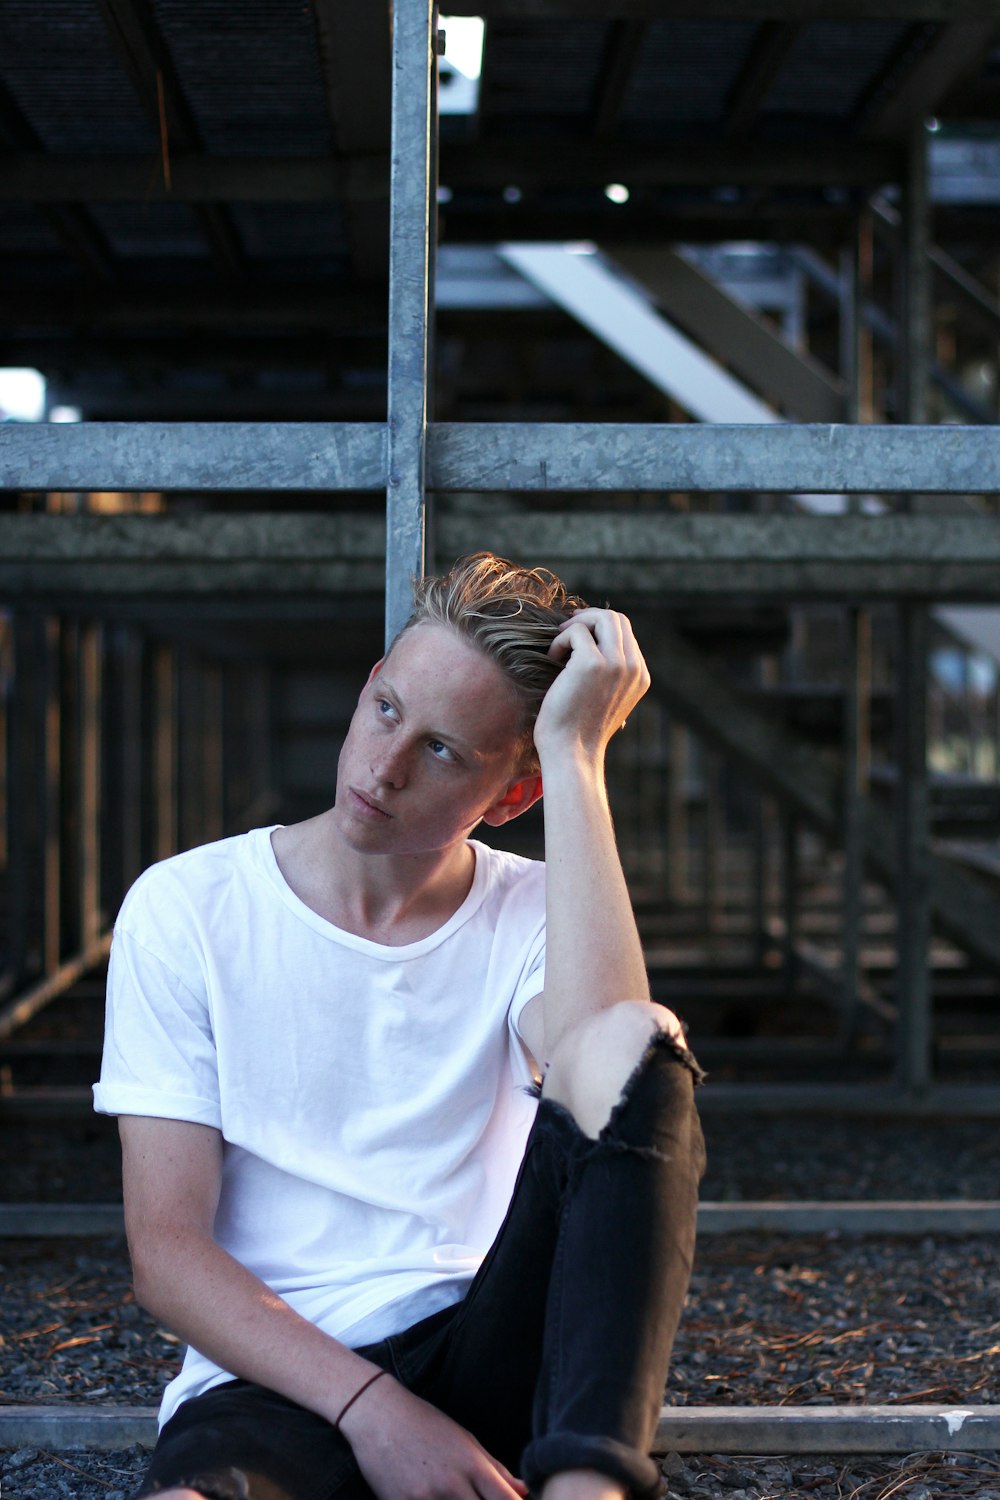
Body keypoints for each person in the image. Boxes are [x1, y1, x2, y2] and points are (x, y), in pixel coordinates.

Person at [94, 552, 705, 1500]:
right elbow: (165, 1255)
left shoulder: (538, 911)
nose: (383, 769)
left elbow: (611, 1069)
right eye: (387, 712)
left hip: (486, 1342)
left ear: (512, 796)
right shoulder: (187, 907)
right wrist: (376, 1409)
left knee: (643, 1039)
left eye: (443, 751)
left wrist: (579, 757)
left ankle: (591, 1487)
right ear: (368, 685)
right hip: (274, 1377)